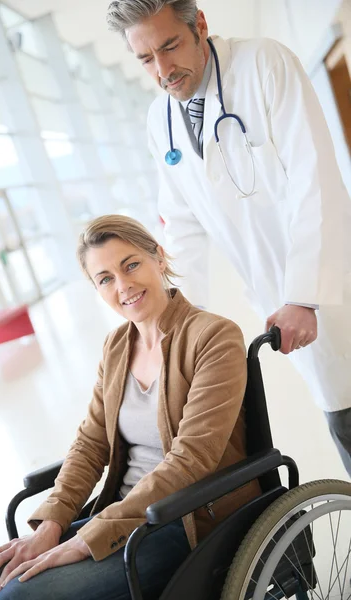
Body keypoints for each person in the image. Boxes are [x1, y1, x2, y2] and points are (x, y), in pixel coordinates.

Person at [106, 0, 351, 475]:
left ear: (199, 25)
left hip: (331, 287)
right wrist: (173, 324)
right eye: (145, 59)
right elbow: (182, 225)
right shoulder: (162, 119)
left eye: (170, 46)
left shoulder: (264, 64)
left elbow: (314, 180)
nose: (162, 69)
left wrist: (304, 294)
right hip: (281, 296)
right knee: (341, 413)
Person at [0, 215, 260, 600]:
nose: (123, 286)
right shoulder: (117, 347)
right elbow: (90, 445)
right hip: (122, 516)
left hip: (186, 519)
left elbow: (192, 459)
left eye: (131, 264)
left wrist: (89, 538)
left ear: (160, 258)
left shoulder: (213, 336)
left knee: (18, 596)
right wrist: (53, 523)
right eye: (105, 278)